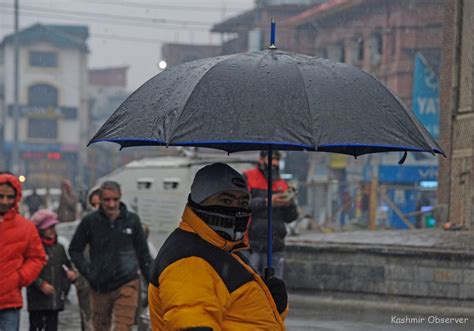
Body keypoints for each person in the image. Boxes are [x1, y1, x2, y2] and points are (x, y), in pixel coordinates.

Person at [148, 163, 288, 330]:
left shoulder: (220, 247)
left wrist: (270, 304)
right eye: (226, 200)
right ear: (200, 201)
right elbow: (193, 322)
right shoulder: (190, 261)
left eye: (243, 203)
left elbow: (239, 319)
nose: (236, 209)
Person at [69, 181, 152, 331]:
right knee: (100, 327)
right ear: (100, 200)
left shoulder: (132, 221)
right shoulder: (91, 221)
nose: (111, 204)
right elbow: (75, 249)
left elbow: (143, 255)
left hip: (127, 283)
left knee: (122, 327)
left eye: (115, 199)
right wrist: (89, 272)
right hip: (100, 285)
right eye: (107, 200)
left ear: (120, 198)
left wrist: (153, 284)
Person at [0, 172, 47, 331]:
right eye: (1, 196)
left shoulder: (26, 228)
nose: (5, 201)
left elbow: (37, 257)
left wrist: (20, 277)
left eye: (9, 197)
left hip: (10, 302)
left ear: (17, 197)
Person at [244, 151, 298, 279]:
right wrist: (266, 202)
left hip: (276, 245)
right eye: (272, 159)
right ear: (262, 159)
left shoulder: (283, 184)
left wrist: (289, 204)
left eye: (277, 160)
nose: (275, 163)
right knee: (250, 285)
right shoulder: (248, 177)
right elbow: (243, 205)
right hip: (252, 244)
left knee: (274, 288)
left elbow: (291, 217)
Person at [27, 209, 77, 331]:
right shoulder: (33, 248)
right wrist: (41, 284)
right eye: (48, 227)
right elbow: (28, 272)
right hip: (37, 303)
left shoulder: (59, 248)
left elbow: (66, 266)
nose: (52, 230)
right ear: (40, 230)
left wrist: (70, 276)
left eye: (53, 226)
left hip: (54, 301)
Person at [74, 186, 100, 331]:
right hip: (86, 278)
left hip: (108, 281)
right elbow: (76, 250)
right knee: (88, 320)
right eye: (94, 204)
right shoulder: (86, 223)